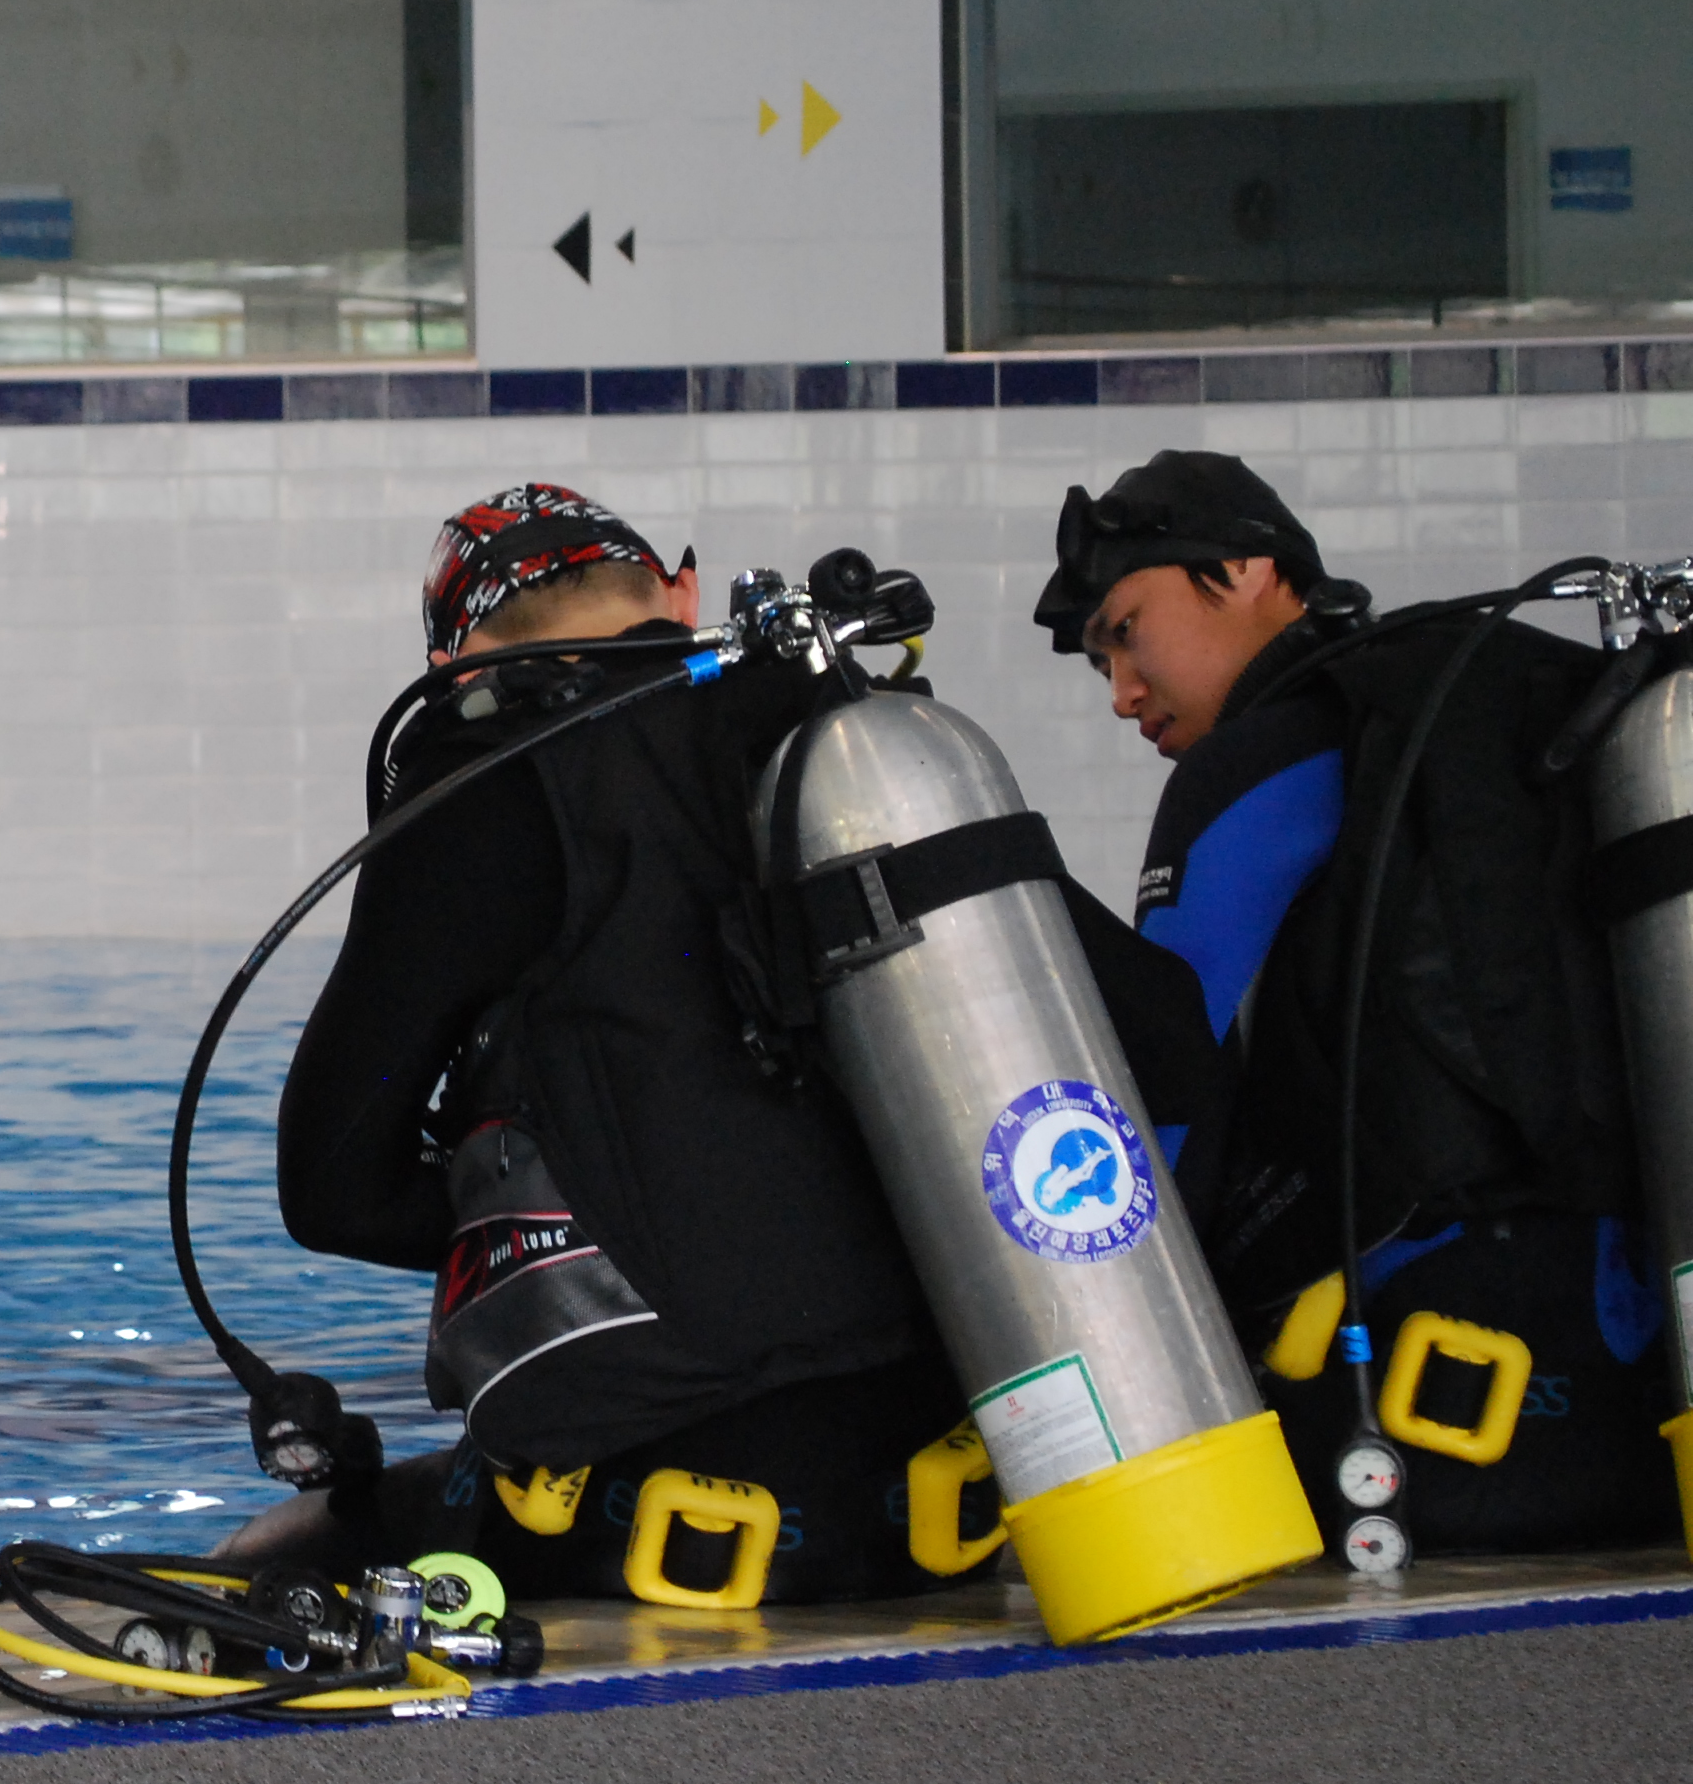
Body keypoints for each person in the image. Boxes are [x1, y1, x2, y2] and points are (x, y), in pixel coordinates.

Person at [240, 487, 1003, 1607]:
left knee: (270, 1555)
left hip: (653, 1517)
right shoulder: (856, 741)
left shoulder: (485, 782)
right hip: (954, 1496)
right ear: (681, 594)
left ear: (454, 663)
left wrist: (559, 1202)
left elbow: (332, 1187)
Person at [1030, 449, 1668, 1554]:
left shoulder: (1265, 755)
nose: (1123, 692)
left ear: (1243, 569)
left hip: (1412, 1434)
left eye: (1125, 632)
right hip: (1640, 1386)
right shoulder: (1518, 703)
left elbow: (1162, 1094)